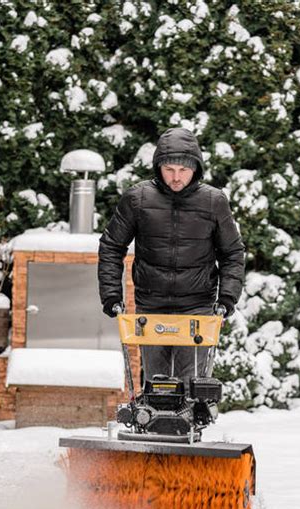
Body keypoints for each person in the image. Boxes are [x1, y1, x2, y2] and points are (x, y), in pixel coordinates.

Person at [98, 126, 245, 389]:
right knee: (157, 385)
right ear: (158, 167)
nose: (176, 177)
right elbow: (111, 245)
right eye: (169, 170)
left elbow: (232, 252)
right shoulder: (138, 198)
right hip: (151, 304)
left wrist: (227, 297)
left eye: (183, 170)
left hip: (197, 307)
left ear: (196, 169)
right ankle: (154, 427)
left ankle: (188, 427)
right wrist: (111, 295)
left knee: (192, 386)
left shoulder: (214, 202)